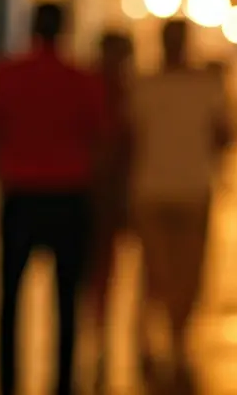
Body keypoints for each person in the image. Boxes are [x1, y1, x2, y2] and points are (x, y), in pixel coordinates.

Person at [0, 3, 107, 395]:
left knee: (9, 299)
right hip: (68, 196)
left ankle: (7, 381)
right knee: (67, 300)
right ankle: (63, 382)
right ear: (64, 30)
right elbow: (100, 129)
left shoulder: (7, 73)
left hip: (20, 195)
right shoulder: (80, 78)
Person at [129, 19, 230, 385]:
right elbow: (223, 135)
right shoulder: (205, 86)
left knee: (154, 268)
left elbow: (131, 137)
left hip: (151, 188)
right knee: (188, 270)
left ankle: (148, 337)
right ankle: (176, 341)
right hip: (191, 187)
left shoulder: (143, 85)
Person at [85, 32, 154, 388]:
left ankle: (122, 333)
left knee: (109, 268)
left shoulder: (120, 88)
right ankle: (106, 333)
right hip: (104, 191)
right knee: (103, 268)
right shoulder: (111, 88)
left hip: (112, 190)